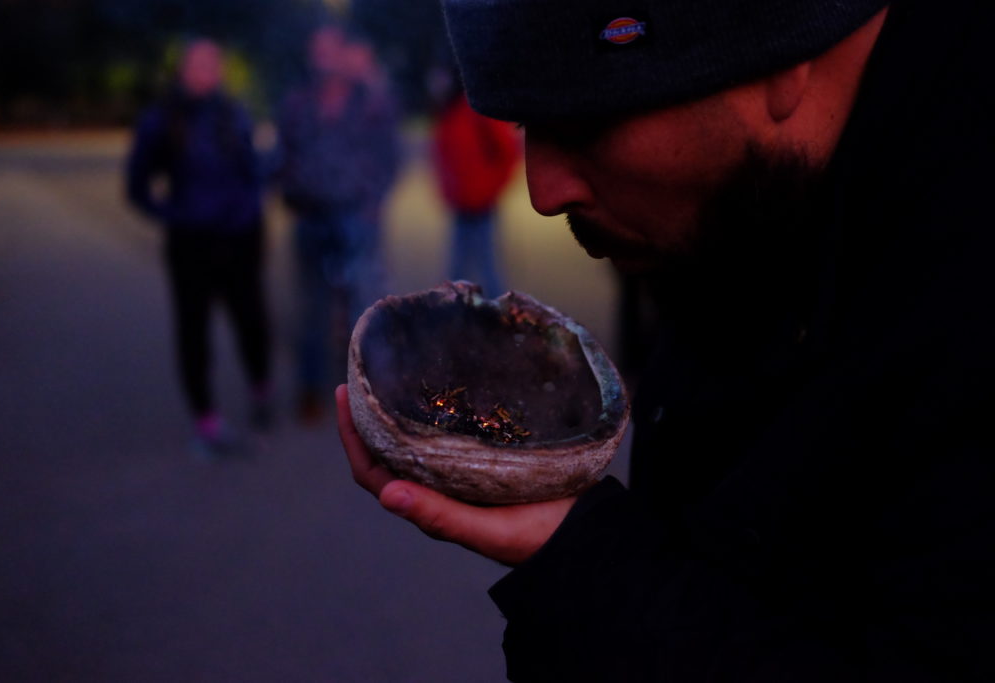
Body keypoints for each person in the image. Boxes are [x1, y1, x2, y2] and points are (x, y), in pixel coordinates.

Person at [338, 0, 994, 681]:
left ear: (784, 58)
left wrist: (585, 569)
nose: (543, 190)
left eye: (586, 120)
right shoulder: (743, 212)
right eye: (527, 123)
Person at [127, 39, 271, 455]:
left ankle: (261, 390)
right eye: (197, 64)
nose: (205, 72)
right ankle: (206, 419)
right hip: (192, 246)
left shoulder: (234, 113)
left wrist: (254, 201)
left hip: (241, 239)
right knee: (193, 330)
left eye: (212, 64)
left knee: (252, 321)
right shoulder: (161, 120)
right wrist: (177, 215)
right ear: (183, 70)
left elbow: (252, 169)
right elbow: (137, 186)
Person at [277, 23, 401, 423]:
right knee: (311, 311)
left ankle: (363, 396)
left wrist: (371, 203)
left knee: (362, 311)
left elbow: (390, 156)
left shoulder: (370, 102)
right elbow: (283, 154)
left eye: (332, 49)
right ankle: (311, 390)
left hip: (355, 219)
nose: (324, 57)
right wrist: (291, 193)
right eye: (318, 49)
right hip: (311, 219)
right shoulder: (297, 103)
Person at [430, 76, 520, 296]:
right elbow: (441, 153)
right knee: (459, 265)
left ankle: (497, 315)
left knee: (486, 264)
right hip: (461, 201)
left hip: (481, 202)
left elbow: (508, 151)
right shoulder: (449, 111)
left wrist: (492, 186)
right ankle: (455, 312)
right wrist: (447, 189)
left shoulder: (479, 111)